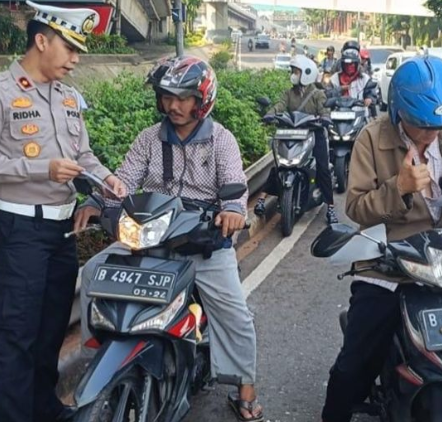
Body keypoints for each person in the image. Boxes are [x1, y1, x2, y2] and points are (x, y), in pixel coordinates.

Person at [75, 56, 265, 422]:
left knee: (235, 314)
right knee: (94, 272)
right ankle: (99, 349)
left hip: (203, 242)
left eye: (183, 98)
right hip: (151, 237)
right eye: (167, 97)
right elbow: (125, 179)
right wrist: (97, 200)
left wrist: (232, 211)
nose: (173, 106)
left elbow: (235, 190)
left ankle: (245, 388)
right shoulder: (149, 137)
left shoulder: (221, 140)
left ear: (202, 99)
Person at [321, 56, 442, 422]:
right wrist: (399, 188)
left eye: (439, 126)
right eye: (423, 126)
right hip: (389, 262)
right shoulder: (372, 137)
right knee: (356, 360)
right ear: (399, 112)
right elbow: (357, 208)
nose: (433, 134)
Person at [0, 2, 126, 421]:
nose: (76, 59)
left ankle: (44, 408)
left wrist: (108, 179)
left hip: (61, 234)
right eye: (70, 48)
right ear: (41, 40)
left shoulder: (69, 97)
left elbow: (84, 155)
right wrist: (42, 168)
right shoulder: (3, 93)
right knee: (16, 335)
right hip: (18, 229)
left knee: (51, 330)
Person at [253, 55, 337, 225]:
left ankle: (330, 208)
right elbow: (279, 106)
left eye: (296, 71)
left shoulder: (317, 94)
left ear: (306, 73)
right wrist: (270, 115)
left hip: (314, 133)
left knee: (323, 168)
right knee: (279, 165)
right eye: (293, 71)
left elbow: (324, 110)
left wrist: (325, 119)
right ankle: (262, 199)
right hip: (291, 133)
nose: (293, 74)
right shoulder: (289, 93)